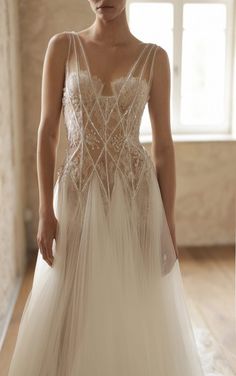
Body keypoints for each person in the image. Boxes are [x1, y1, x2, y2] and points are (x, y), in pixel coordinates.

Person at [8, 1, 208, 375]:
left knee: (131, 297)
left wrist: (169, 224)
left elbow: (163, 146)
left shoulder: (154, 58)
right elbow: (48, 132)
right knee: (68, 304)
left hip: (134, 196)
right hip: (75, 195)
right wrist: (45, 211)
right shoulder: (63, 46)